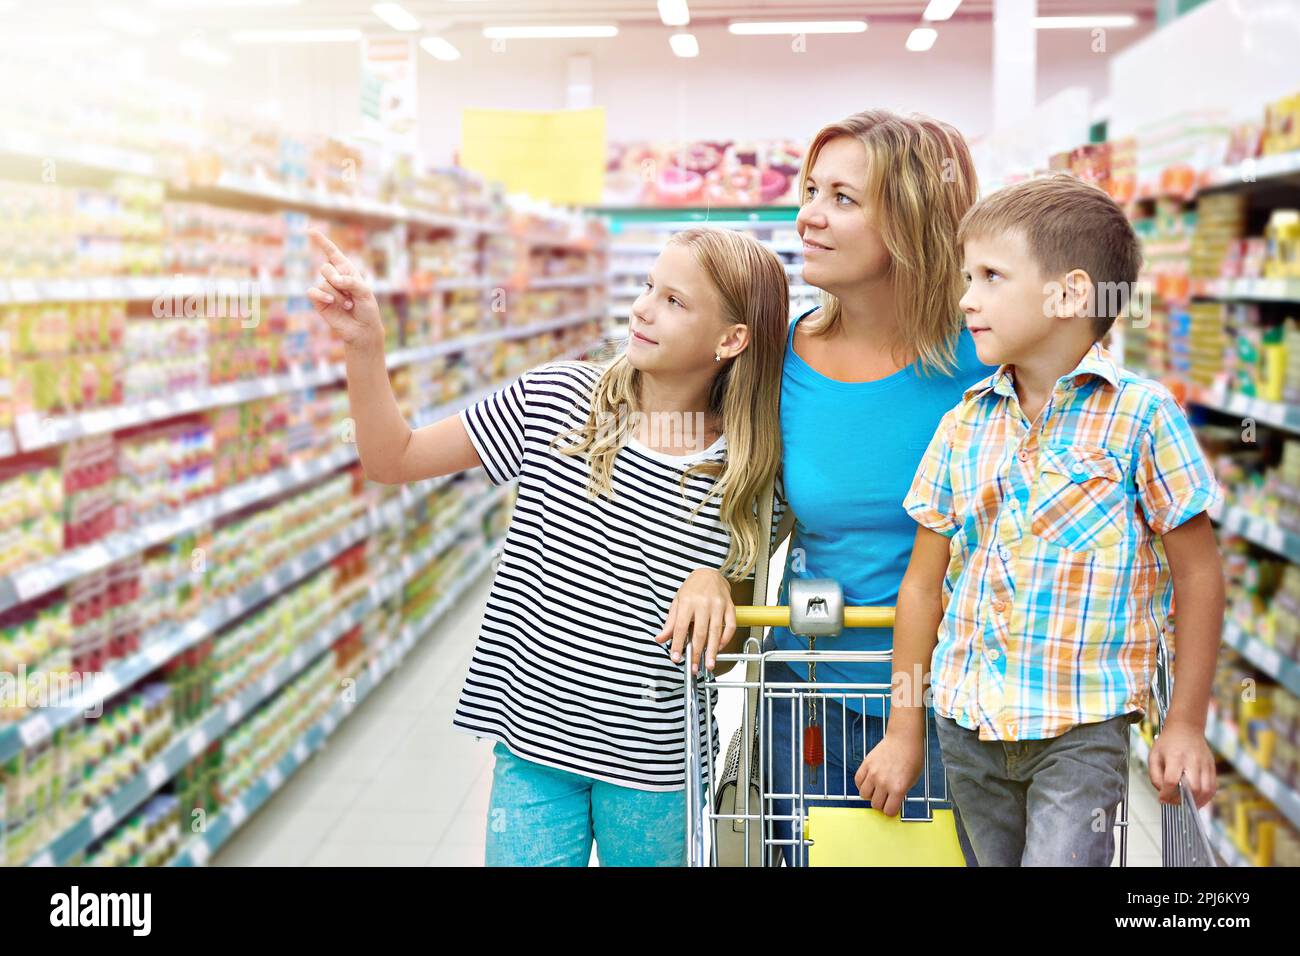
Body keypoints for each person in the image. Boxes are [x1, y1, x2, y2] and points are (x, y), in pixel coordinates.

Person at [306, 226, 790, 866]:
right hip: (531, 752)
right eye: (649, 286)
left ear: (731, 340)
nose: (643, 307)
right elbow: (392, 458)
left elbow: (723, 652)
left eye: (675, 301)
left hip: (659, 770)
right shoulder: (556, 401)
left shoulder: (749, 470)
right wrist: (365, 348)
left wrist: (715, 582)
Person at [662, 110, 996, 865]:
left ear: (913, 219)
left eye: (843, 198)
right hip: (808, 696)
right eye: (811, 190)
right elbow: (744, 511)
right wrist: (712, 573)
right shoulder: (778, 360)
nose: (808, 214)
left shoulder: (989, 360)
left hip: (966, 708)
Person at [867, 172, 1224, 866]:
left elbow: (1199, 576)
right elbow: (920, 587)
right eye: (968, 277)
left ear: (1070, 293)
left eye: (991, 276)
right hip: (965, 724)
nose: (967, 298)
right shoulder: (962, 425)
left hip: (1081, 725)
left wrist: (1184, 722)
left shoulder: (1140, 418)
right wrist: (904, 727)